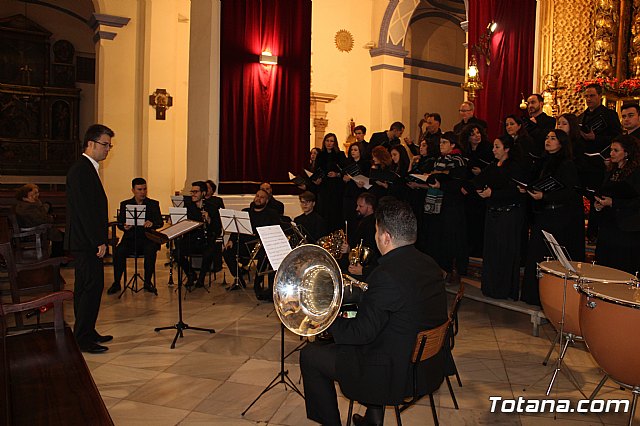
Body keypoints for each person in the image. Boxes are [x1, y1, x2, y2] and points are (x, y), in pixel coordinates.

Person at [300, 199, 448, 426]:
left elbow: (360, 334)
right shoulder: (429, 264)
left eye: (377, 231)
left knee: (311, 355)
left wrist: (326, 319)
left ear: (386, 237)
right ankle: (373, 417)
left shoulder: (386, 274)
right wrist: (354, 300)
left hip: (394, 373)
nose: (376, 236)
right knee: (372, 330)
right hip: (426, 365)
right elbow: (394, 305)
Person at [65, 124, 113, 354]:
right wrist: (98, 240)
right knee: (90, 287)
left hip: (86, 241)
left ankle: (87, 330)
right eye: (105, 144)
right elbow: (85, 210)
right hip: (86, 242)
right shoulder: (81, 170)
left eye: (109, 146)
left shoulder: (87, 168)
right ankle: (82, 338)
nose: (107, 150)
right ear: (91, 143)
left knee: (89, 287)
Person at [521, 130, 585, 305]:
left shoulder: (566, 164)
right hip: (542, 214)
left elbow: (570, 192)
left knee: (551, 258)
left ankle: (551, 299)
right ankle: (534, 295)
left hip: (558, 216)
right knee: (536, 255)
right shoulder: (542, 161)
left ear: (562, 143)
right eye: (547, 137)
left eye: (553, 138)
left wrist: (545, 197)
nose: (548, 140)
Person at [475, 136, 526, 300]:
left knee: (504, 252)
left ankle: (503, 289)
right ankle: (491, 287)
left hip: (508, 215)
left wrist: (493, 193)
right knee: (491, 252)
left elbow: (516, 192)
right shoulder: (492, 166)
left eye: (497, 147)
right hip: (493, 213)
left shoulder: (515, 167)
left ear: (507, 149)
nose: (493, 150)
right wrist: (479, 190)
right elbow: (478, 180)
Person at [577, 83, 622, 242]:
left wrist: (596, 138)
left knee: (598, 196)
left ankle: (595, 233)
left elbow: (617, 136)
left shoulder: (609, 115)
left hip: (602, 162)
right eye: (587, 96)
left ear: (599, 96)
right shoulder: (581, 117)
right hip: (585, 163)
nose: (589, 99)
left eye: (592, 96)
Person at [424, 132, 469, 283]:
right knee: (438, 237)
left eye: (444, 142)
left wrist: (441, 184)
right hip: (438, 203)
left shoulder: (458, 161)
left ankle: (452, 270)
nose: (441, 145)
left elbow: (458, 183)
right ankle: (439, 269)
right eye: (440, 142)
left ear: (453, 145)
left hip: (452, 204)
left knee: (451, 239)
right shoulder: (439, 160)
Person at [107, 178, 164, 295]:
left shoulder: (153, 204)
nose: (143, 192)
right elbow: (121, 223)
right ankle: (116, 282)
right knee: (119, 252)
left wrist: (152, 223)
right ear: (133, 190)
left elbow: (160, 222)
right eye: (139, 189)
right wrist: (124, 226)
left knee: (150, 250)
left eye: (144, 189)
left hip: (147, 238)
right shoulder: (125, 204)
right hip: (130, 239)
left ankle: (148, 282)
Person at [222, 189, 281, 300]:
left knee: (264, 255)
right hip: (245, 244)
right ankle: (238, 278)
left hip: (261, 245)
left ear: (267, 201)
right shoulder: (246, 212)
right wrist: (231, 240)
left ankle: (257, 283)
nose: (258, 199)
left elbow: (275, 230)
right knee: (227, 252)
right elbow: (236, 228)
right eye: (257, 196)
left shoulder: (271, 214)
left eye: (262, 197)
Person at [594, 134, 640, 275]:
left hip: (627, 227)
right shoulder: (611, 171)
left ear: (626, 153)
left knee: (622, 267)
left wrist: (614, 202)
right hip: (609, 225)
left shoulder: (636, 173)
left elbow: (636, 201)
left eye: (616, 150)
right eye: (611, 150)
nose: (611, 153)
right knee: (605, 265)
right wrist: (599, 204)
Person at [178, 181, 222, 288]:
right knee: (177, 253)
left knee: (208, 253)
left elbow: (217, 229)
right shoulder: (188, 206)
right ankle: (191, 274)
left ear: (203, 193)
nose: (193, 194)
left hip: (206, 240)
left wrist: (209, 219)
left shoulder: (212, 207)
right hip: (191, 239)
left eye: (196, 192)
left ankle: (201, 279)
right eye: (192, 191)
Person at [460, 123, 493, 258]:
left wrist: (481, 171)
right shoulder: (466, 151)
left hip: (481, 191)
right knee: (470, 222)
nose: (476, 136)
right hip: (468, 191)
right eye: (473, 134)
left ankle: (479, 250)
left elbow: (492, 168)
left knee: (479, 222)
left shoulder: (487, 148)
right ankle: (471, 249)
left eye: (478, 133)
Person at [14, 183, 64, 257]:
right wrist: (51, 218)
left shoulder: (26, 204)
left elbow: (39, 216)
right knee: (61, 236)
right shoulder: (27, 207)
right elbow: (41, 219)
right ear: (26, 195)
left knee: (60, 234)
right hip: (34, 232)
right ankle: (58, 259)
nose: (37, 195)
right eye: (34, 193)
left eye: (37, 193)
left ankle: (58, 257)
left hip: (36, 229)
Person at [339, 192, 380, 282]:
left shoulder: (370, 225)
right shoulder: (365, 221)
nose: (357, 208)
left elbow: (367, 250)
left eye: (360, 206)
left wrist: (349, 249)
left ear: (369, 207)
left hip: (363, 269)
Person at [314, 133, 347, 232]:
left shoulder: (339, 155)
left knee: (335, 212)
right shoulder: (320, 155)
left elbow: (345, 171)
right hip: (324, 188)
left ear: (335, 143)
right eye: (327, 141)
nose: (329, 143)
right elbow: (317, 170)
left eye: (331, 141)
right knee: (323, 211)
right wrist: (317, 178)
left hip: (336, 188)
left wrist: (336, 174)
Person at [342, 141, 370, 228]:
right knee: (348, 218)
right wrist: (344, 179)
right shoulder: (347, 163)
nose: (353, 152)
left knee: (358, 219)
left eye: (355, 150)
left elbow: (368, 178)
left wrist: (362, 183)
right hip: (349, 193)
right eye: (351, 150)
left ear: (360, 151)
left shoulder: (366, 164)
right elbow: (343, 176)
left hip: (360, 193)